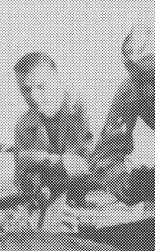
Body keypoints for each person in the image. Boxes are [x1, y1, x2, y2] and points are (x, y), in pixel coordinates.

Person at [90, 26, 155, 207]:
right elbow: (105, 152)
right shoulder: (131, 89)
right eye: (140, 79)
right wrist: (124, 183)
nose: (149, 88)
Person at [12, 52, 95, 223]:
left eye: (40, 86)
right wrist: (33, 184)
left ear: (56, 78)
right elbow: (22, 179)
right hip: (51, 210)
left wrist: (42, 160)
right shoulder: (22, 126)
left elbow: (87, 166)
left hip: (100, 204)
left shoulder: (82, 109)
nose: (33, 96)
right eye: (25, 90)